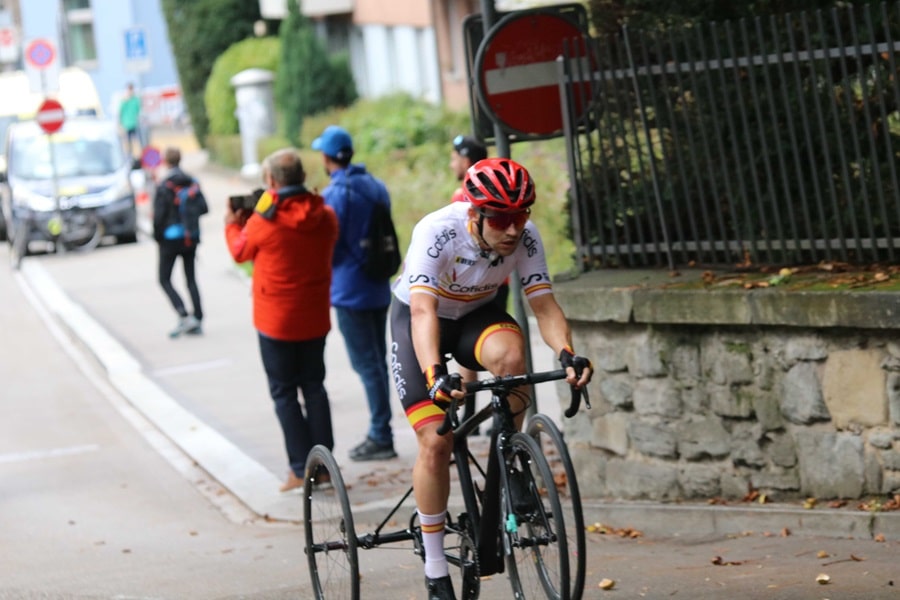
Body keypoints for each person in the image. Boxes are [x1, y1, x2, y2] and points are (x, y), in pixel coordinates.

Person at [389, 157, 593, 599]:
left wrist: (567, 353)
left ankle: (511, 458)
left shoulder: (526, 237)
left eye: (522, 215)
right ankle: (436, 567)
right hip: (419, 321)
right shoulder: (437, 231)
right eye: (500, 218)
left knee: (512, 357)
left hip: (475, 318)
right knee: (436, 443)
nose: (513, 228)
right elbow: (422, 311)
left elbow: (544, 305)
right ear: (474, 213)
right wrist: (435, 374)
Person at [224, 148, 339, 493]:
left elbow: (239, 252)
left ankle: (300, 469)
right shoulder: (326, 216)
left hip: (276, 321)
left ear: (272, 181)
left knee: (285, 393)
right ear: (302, 177)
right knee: (315, 387)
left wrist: (233, 223)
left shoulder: (264, 222)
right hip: (314, 316)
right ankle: (325, 467)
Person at [312, 125, 397, 462]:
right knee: (378, 362)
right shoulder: (376, 185)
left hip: (350, 289)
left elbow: (327, 244)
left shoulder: (334, 195)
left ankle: (381, 434)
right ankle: (382, 430)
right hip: (378, 284)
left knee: (367, 366)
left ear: (326, 157)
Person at [153, 147, 207, 338]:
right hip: (190, 237)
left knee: (164, 278)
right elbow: (204, 208)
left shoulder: (164, 185)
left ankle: (183, 314)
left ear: (165, 161)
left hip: (169, 239)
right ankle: (198, 318)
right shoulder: (192, 181)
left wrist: (157, 236)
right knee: (191, 278)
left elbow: (158, 216)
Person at [119, 82, 143, 158]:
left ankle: (140, 155)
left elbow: (138, 110)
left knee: (139, 141)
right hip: (126, 124)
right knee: (128, 142)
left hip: (135, 123)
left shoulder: (136, 100)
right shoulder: (123, 100)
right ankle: (130, 156)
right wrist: (121, 124)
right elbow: (120, 112)